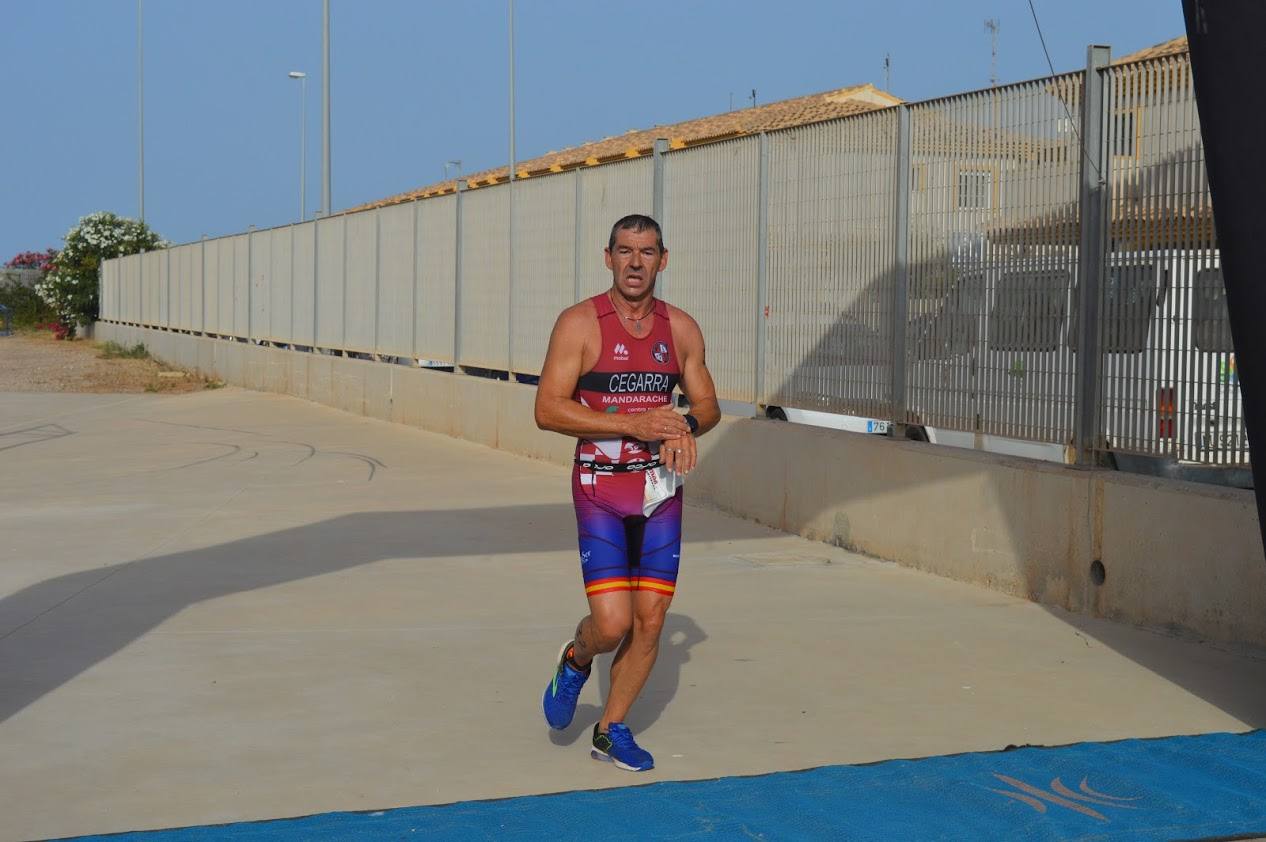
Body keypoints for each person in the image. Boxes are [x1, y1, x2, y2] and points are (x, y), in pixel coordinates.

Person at [534, 214, 719, 772]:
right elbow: (547, 409)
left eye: (646, 252)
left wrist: (683, 423)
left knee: (653, 619)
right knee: (611, 625)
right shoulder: (579, 324)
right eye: (624, 251)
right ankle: (576, 657)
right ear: (608, 257)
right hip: (600, 489)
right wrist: (631, 425)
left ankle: (610, 729)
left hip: (659, 492)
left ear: (664, 259)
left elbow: (708, 405)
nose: (635, 262)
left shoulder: (680, 329)